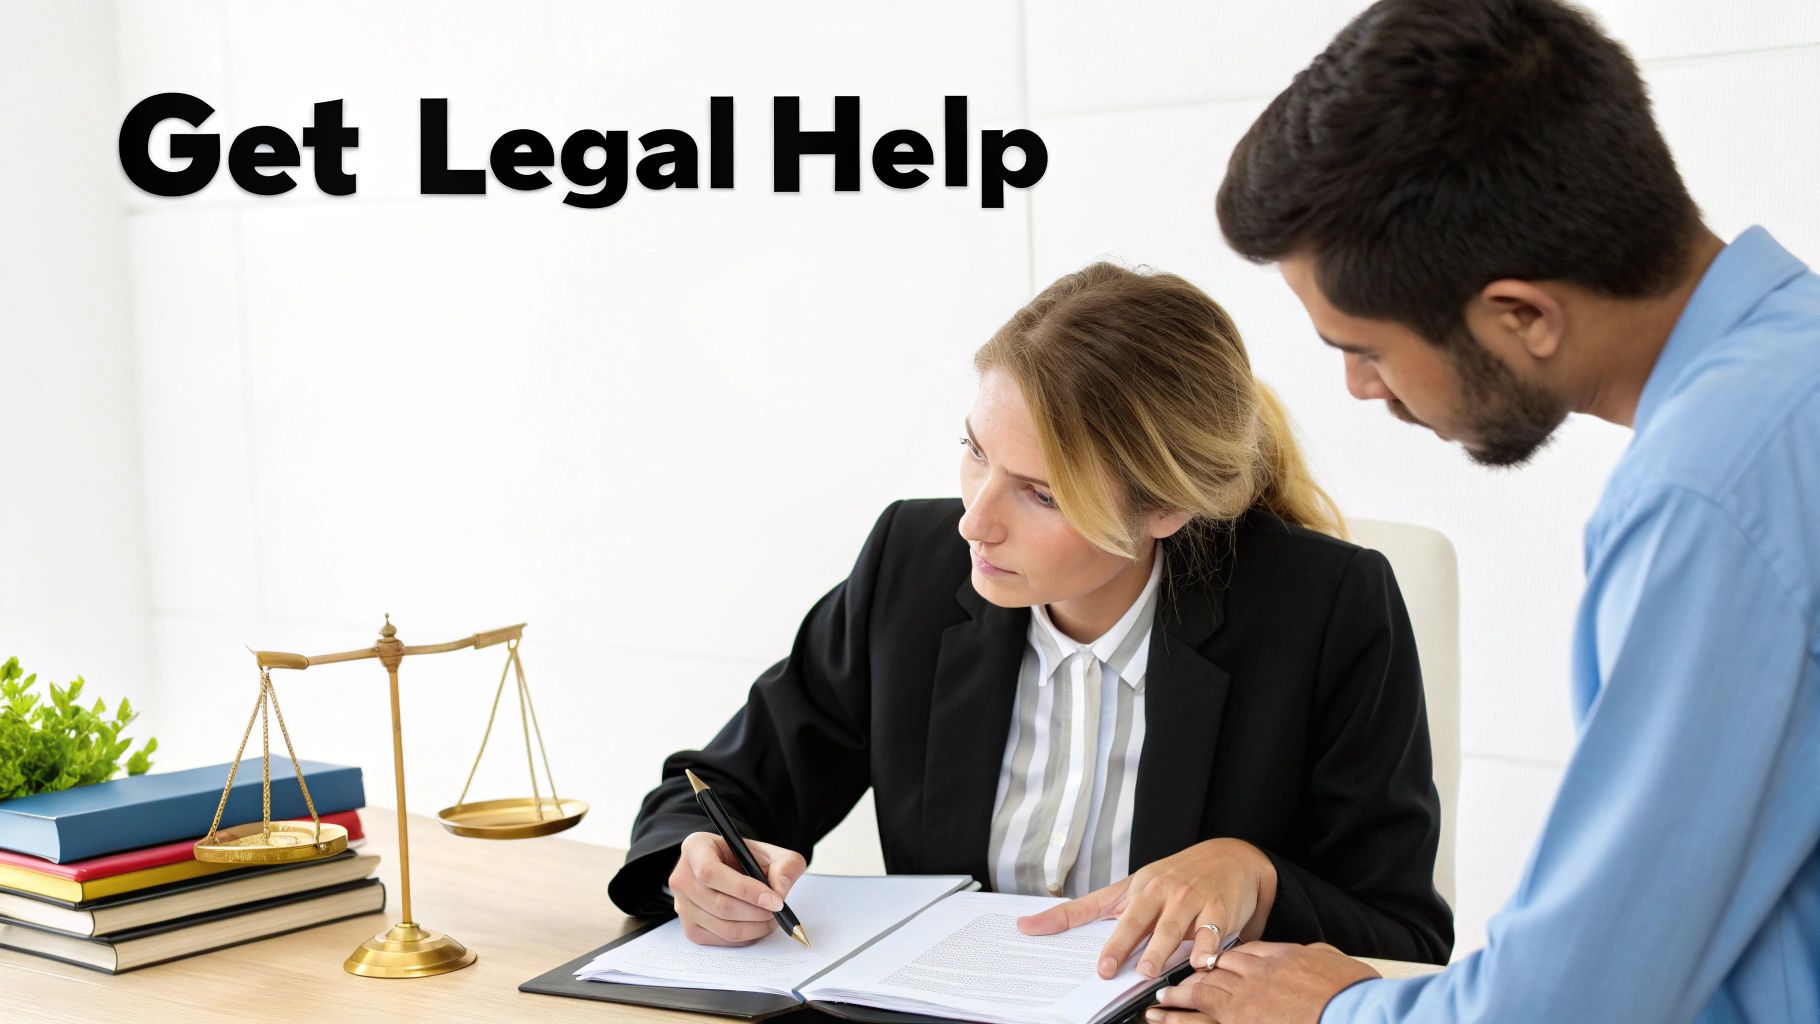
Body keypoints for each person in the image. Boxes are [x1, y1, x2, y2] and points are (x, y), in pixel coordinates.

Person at [1142, 1, 1820, 1021]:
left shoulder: (1711, 491)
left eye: (1364, 349)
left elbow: (1581, 997)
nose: (1360, 390)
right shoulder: (1792, 371)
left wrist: (1336, 1011)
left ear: (1521, 315)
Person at [607, 262, 1453, 973]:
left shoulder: (1327, 609)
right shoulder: (912, 564)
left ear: (1164, 508)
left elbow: (1404, 937)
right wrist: (698, 865)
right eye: (976, 453)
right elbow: (717, 790)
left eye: (1040, 493)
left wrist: (1253, 874)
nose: (975, 521)